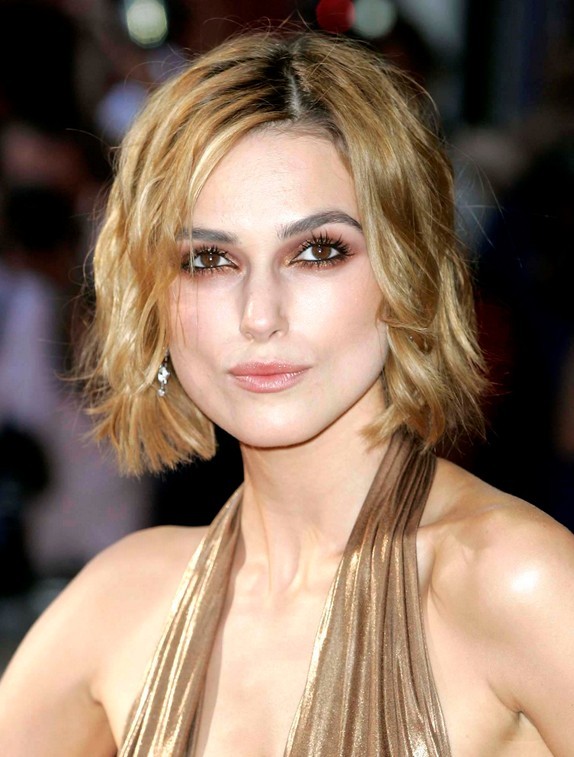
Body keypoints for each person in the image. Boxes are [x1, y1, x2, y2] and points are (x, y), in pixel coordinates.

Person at [0, 30, 573, 756]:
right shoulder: (124, 602)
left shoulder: (517, 585)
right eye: (209, 260)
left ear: (408, 269)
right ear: (153, 296)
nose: (259, 314)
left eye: (318, 252)